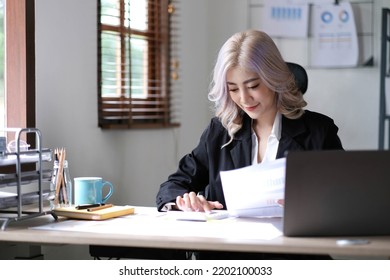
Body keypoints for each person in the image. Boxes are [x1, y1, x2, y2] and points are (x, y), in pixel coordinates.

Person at [156, 30, 343, 259]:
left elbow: (342, 200)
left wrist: (310, 207)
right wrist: (184, 202)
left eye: (253, 85)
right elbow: (172, 186)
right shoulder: (220, 132)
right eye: (233, 89)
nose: (244, 99)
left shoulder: (319, 131)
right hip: (228, 259)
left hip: (293, 258)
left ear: (274, 78)